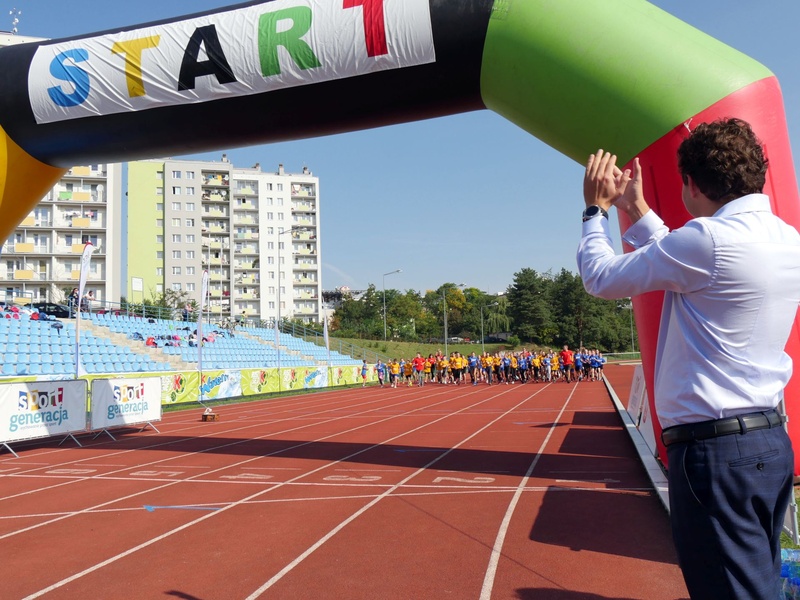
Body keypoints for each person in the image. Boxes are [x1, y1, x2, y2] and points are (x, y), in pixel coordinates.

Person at [577, 118, 800, 600]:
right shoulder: (787, 239)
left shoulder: (707, 240)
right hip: (767, 439)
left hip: (714, 452)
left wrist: (595, 211)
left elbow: (599, 277)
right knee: (758, 583)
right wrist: (636, 208)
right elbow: (688, 257)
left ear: (692, 184)